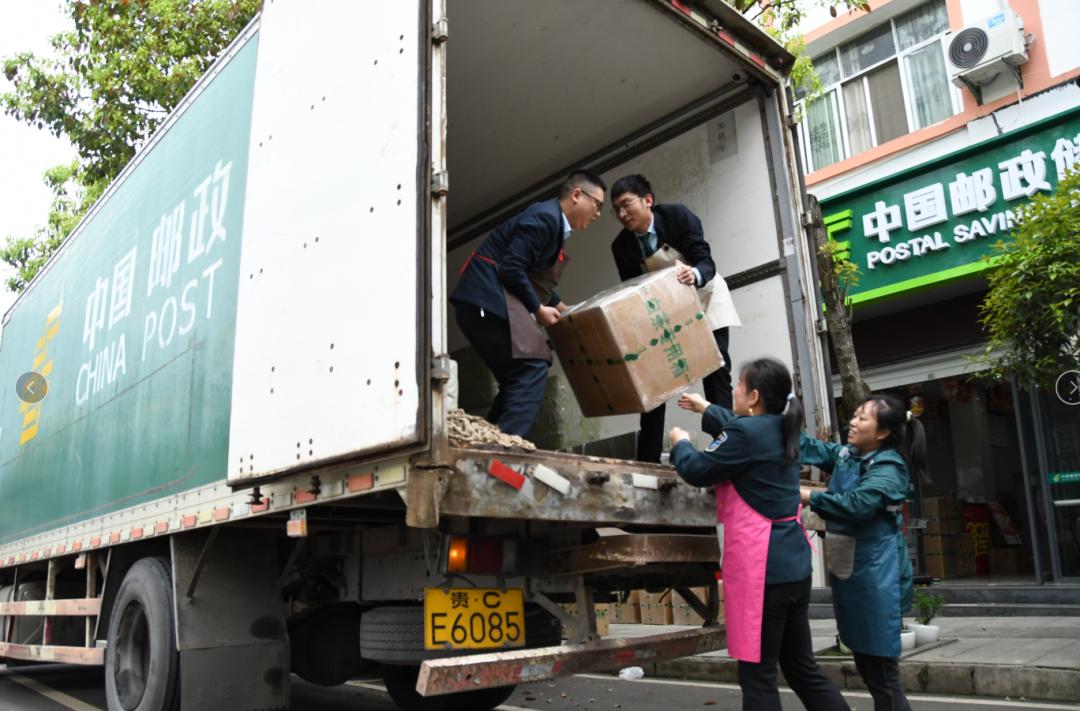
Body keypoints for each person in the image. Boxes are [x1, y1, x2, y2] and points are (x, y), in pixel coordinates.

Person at [670, 358, 848, 711]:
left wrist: (681, 444)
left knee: (758, 676)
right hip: (793, 566)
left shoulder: (746, 434)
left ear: (753, 396)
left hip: (762, 570)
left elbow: (698, 469)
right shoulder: (784, 426)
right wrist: (706, 407)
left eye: (738, 384)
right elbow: (741, 428)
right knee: (801, 668)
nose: (734, 390)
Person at [450, 170, 606, 438]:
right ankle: (506, 448)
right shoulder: (545, 219)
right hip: (485, 299)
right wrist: (538, 309)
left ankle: (491, 442)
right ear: (577, 195)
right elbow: (512, 268)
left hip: (479, 302)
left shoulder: (551, 222)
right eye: (597, 205)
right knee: (532, 366)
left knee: (517, 378)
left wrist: (559, 305)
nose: (598, 214)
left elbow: (528, 274)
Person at [799, 393, 926, 711]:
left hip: (877, 578)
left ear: (883, 432)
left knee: (882, 675)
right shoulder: (848, 454)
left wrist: (807, 496)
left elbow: (857, 504)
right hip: (853, 576)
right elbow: (810, 447)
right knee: (869, 668)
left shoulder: (890, 467)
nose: (852, 422)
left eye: (862, 418)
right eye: (854, 415)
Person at [610, 174, 739, 463]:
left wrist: (693, 273)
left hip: (703, 297)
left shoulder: (678, 216)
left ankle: (727, 447)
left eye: (626, 205)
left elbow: (706, 261)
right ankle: (648, 459)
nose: (622, 214)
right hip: (663, 309)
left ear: (647, 200)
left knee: (716, 370)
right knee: (654, 381)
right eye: (616, 209)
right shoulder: (621, 246)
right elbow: (632, 288)